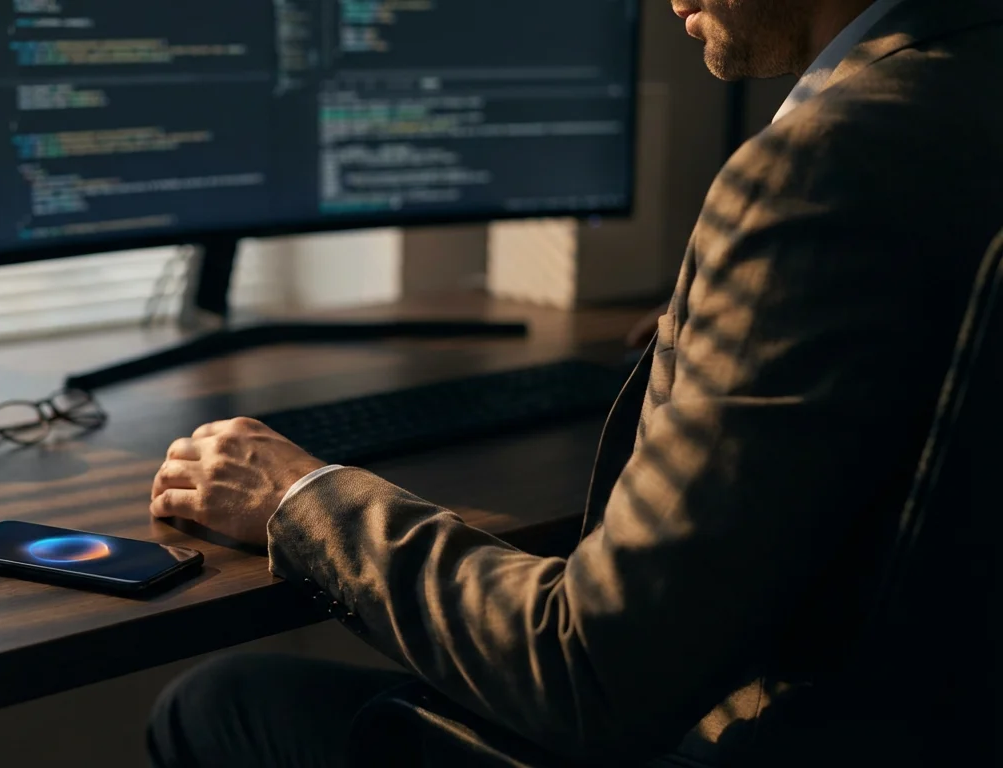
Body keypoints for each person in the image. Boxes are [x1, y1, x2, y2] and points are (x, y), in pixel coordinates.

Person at [146, 0, 1003, 766]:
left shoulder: (818, 163)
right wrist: (715, 325)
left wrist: (303, 499)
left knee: (219, 704)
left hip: (766, 735)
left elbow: (590, 671)